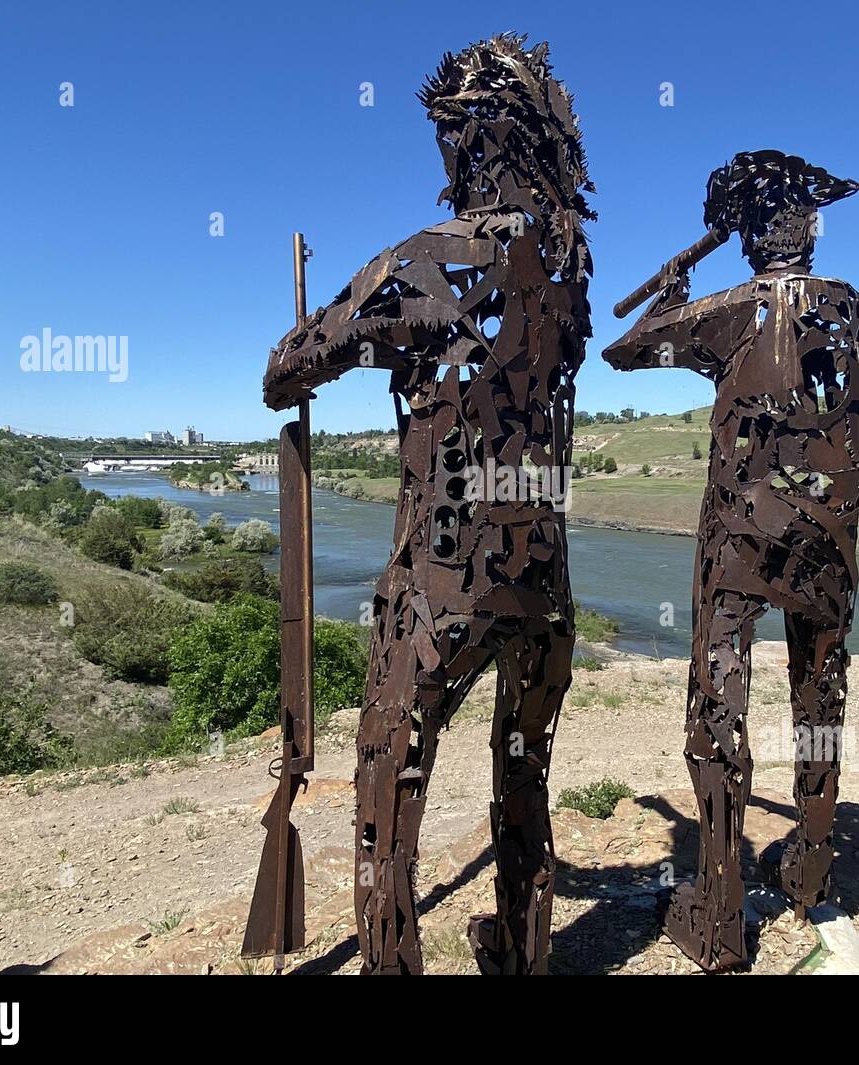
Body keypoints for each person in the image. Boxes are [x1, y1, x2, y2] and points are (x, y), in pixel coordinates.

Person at [262, 34, 595, 974]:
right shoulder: (572, 267)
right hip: (543, 577)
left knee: (387, 781)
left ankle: (392, 960)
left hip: (444, 581)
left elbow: (287, 370)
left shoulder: (423, 262)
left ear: (468, 140)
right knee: (524, 779)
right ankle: (525, 955)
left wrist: (316, 331)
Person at [603, 150, 859, 971]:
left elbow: (626, 348)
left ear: (750, 236)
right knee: (818, 691)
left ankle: (720, 915)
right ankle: (812, 869)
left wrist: (673, 299)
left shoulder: (731, 310)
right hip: (829, 534)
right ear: (810, 226)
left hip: (741, 536)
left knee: (720, 703)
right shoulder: (849, 307)